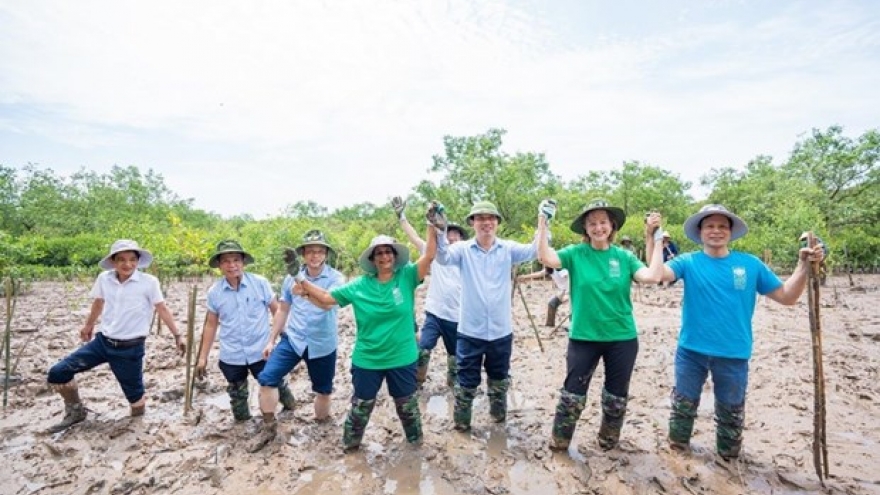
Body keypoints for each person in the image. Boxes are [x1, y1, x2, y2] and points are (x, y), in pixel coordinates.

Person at [649, 204, 824, 460]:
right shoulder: (688, 262)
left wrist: (803, 266)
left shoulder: (750, 264)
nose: (716, 231)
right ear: (700, 232)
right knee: (682, 409)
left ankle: (728, 460)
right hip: (691, 352)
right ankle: (678, 455)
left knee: (731, 417)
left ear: (731, 231)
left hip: (734, 353)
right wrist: (653, 238)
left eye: (722, 226)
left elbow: (787, 296)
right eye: (710, 226)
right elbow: (656, 275)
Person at [293, 202, 444, 451]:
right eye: (379, 253)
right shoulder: (358, 286)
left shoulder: (406, 276)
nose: (384, 256)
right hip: (368, 359)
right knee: (361, 407)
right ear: (372, 259)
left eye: (388, 252)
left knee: (407, 407)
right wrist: (300, 280)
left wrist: (431, 225)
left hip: (403, 357)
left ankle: (415, 449)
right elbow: (327, 298)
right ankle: (350, 448)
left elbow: (428, 255)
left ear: (395, 256)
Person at [537, 199, 664, 451]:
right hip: (584, 337)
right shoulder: (575, 254)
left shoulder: (624, 257)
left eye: (603, 222)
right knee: (572, 395)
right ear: (585, 228)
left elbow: (652, 277)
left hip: (622, 338)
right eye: (592, 223)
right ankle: (559, 443)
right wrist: (542, 220)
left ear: (612, 225)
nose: (598, 227)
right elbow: (545, 257)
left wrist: (656, 238)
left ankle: (608, 442)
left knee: (616, 397)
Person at [46, 239, 186, 432]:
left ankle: (137, 426)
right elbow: (99, 302)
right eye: (121, 259)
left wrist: (177, 335)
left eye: (132, 259)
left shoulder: (148, 282)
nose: (127, 264)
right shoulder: (105, 278)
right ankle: (75, 410)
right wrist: (88, 325)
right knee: (58, 372)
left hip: (130, 348)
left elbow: (161, 308)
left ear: (138, 261)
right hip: (102, 342)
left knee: (136, 401)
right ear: (113, 261)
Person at [435, 200, 540, 432]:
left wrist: (544, 223)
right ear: (473, 223)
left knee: (499, 379)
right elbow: (441, 257)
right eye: (480, 218)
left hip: (501, 331)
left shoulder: (507, 249)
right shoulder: (462, 250)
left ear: (497, 223)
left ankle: (498, 419)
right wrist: (439, 229)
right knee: (466, 382)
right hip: (470, 331)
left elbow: (535, 250)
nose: (486, 222)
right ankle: (461, 426)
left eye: (490, 218)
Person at [248, 230, 345, 452]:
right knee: (267, 379)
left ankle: (321, 426)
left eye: (320, 251)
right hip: (294, 339)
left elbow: (328, 303)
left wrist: (303, 290)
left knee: (323, 390)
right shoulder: (289, 278)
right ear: (302, 254)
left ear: (326, 254)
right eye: (310, 251)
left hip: (322, 342)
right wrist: (271, 340)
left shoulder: (336, 278)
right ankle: (269, 426)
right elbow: (283, 309)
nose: (315, 255)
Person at [196, 240, 295, 425]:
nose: (231, 265)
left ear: (243, 262)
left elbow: (277, 311)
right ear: (219, 265)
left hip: (261, 349)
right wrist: (203, 357)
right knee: (237, 393)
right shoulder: (215, 292)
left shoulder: (260, 283)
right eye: (226, 261)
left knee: (274, 383)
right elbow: (210, 325)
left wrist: (284, 339)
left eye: (236, 260)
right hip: (232, 353)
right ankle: (243, 426)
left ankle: (289, 409)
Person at [392, 196, 467, 389]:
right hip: (434, 313)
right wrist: (402, 216)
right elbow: (414, 237)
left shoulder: (467, 257)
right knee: (423, 350)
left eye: (456, 235)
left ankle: (453, 386)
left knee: (455, 357)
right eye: (449, 233)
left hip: (457, 317)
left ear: (462, 239)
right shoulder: (434, 252)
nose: (451, 237)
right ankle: (416, 382)